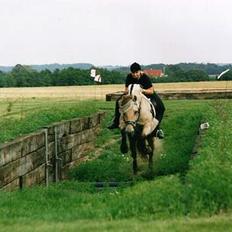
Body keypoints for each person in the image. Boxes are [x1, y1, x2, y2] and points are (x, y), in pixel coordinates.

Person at [108, 62, 165, 139]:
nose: (135, 74)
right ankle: (116, 122)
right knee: (118, 101)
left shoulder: (145, 77)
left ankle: (157, 128)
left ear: (140, 71)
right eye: (133, 73)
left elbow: (151, 91)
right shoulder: (129, 77)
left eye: (136, 72)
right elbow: (126, 89)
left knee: (161, 107)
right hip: (132, 94)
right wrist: (128, 92)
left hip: (146, 93)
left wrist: (142, 91)